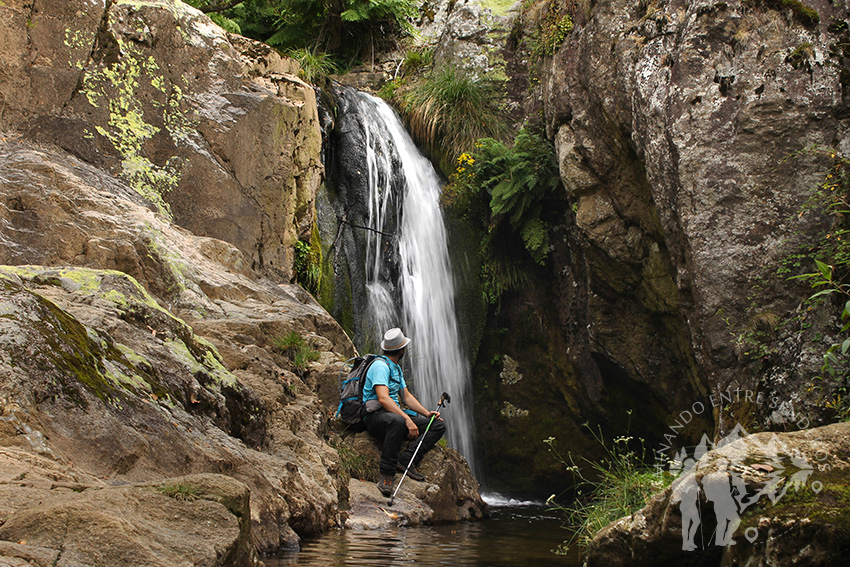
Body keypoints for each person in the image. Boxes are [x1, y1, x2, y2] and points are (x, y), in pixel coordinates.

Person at [362, 327, 446, 497]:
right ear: (401, 350)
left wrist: (426, 414)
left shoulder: (396, 368)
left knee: (436, 425)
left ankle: (407, 459)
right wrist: (407, 418)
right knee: (398, 421)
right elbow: (383, 399)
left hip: (393, 414)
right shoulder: (380, 366)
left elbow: (406, 396)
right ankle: (386, 475)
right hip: (374, 416)